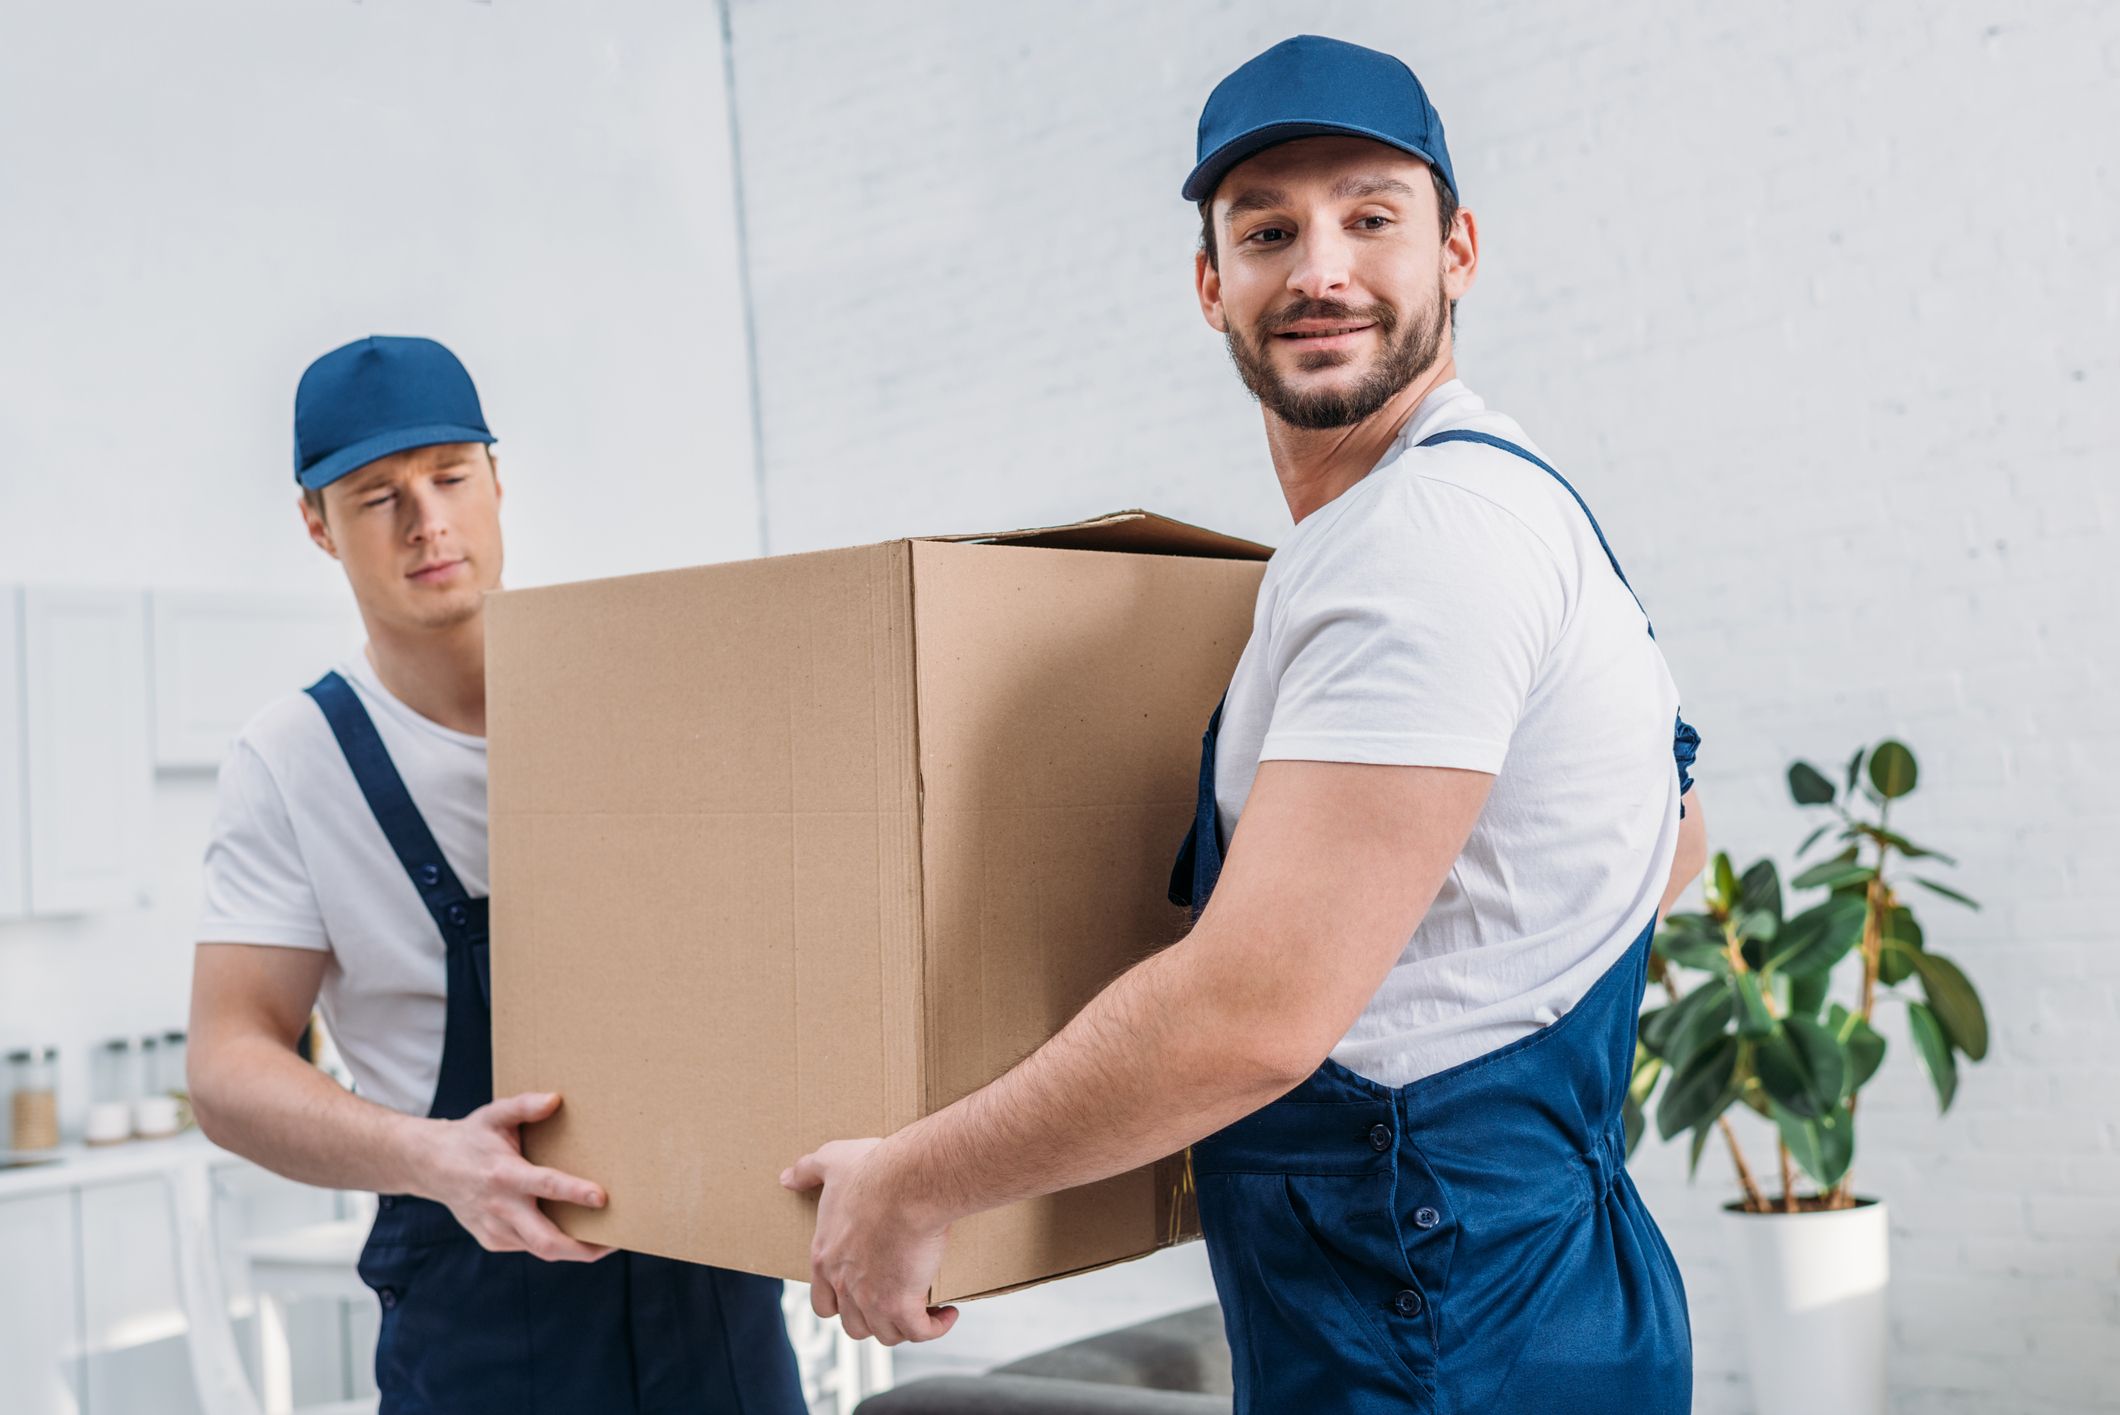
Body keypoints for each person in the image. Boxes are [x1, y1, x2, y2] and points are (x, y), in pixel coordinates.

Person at [783, 35, 1706, 1414]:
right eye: (1268, 231)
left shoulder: (1420, 539)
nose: (1319, 269)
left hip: (1434, 1322)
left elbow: (1253, 1015)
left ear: (1456, 251)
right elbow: (1674, 841)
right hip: (1536, 1283)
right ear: (1212, 283)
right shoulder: (1507, 499)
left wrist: (909, 1182)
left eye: (1370, 218)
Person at [187, 335, 807, 1415]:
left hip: (714, 1303)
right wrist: (432, 1157)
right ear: (316, 524)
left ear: (498, 481)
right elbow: (226, 1062)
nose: (426, 521)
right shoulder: (292, 762)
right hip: (478, 1320)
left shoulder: (655, 697)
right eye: (377, 496)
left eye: (450, 476)